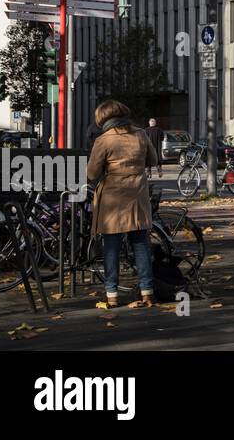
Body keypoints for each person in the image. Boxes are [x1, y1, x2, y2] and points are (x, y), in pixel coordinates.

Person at [86, 99, 159, 309]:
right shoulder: (141, 134)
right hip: (137, 195)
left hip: (112, 197)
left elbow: (92, 173)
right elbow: (153, 161)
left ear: (103, 118)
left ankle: (112, 294)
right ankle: (147, 292)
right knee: (140, 244)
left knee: (111, 246)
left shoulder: (104, 140)